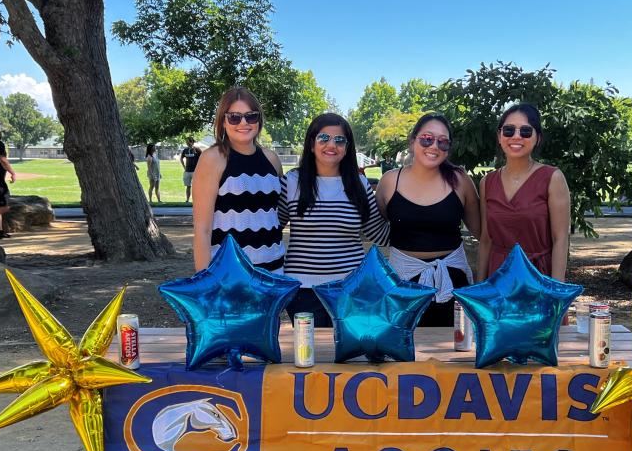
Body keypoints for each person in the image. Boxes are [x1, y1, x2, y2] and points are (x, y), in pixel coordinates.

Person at [279, 113, 389, 327]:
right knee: (310, 356)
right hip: (303, 291)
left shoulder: (360, 184)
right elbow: (272, 229)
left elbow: (379, 234)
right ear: (311, 144)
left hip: (351, 288)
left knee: (348, 358)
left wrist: (411, 213)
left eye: (340, 140)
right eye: (324, 138)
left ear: (347, 148)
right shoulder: (292, 182)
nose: (332, 145)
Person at [375, 113, 481, 326]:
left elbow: (483, 234)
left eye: (443, 142)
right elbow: (378, 226)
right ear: (413, 141)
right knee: (405, 352)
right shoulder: (389, 182)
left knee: (454, 351)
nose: (434, 146)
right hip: (402, 282)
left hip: (452, 281)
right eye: (427, 138)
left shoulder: (460, 181)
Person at [192, 86, 285, 272]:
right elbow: (202, 230)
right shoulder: (212, 159)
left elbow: (275, 216)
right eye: (234, 117)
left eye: (251, 116)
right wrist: (204, 284)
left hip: (275, 272)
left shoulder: (272, 159)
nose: (243, 123)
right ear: (223, 121)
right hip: (231, 275)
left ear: (259, 120)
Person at [477, 103, 571, 283]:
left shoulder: (552, 178)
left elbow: (560, 240)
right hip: (498, 280)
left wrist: (556, 292)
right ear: (499, 136)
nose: (516, 136)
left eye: (526, 131)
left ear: (537, 138)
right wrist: (480, 288)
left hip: (538, 278)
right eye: (509, 130)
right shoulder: (487, 182)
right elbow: (486, 240)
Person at [179, 137, 202, 204]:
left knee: (196, 186)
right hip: (187, 171)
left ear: (192, 142)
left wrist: (199, 168)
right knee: (188, 186)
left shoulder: (197, 150)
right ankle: (187, 200)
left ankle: (196, 200)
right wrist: (184, 167)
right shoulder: (185, 150)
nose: (187, 143)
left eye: (188, 142)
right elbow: (181, 158)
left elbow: (202, 158)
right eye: (186, 142)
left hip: (195, 171)